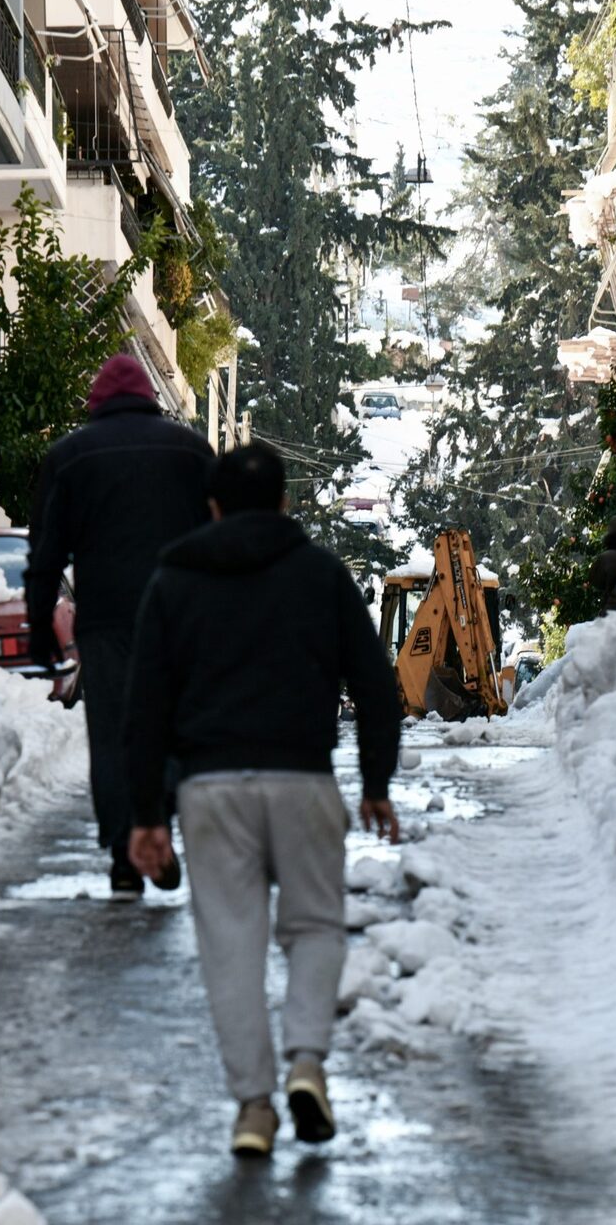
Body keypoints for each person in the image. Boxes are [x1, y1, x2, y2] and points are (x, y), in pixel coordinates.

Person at [123, 442, 401, 1158]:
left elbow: (145, 706)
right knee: (313, 927)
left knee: (231, 946)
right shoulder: (322, 574)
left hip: (210, 789)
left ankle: (254, 1108)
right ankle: (306, 1061)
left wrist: (147, 814)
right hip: (303, 778)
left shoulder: (174, 579)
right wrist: (374, 782)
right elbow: (375, 684)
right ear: (284, 504)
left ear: (212, 508)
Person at [25, 352, 212, 901]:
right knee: (172, 726)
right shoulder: (191, 451)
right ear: (151, 398)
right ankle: (160, 831)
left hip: (106, 623)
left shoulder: (70, 456)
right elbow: (220, 535)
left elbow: (44, 555)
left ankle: (125, 858)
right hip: (178, 618)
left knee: (112, 734)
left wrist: (39, 626)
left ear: (96, 402)